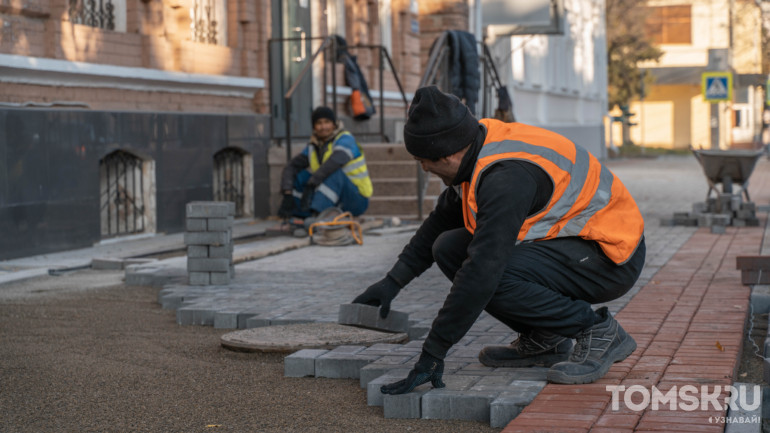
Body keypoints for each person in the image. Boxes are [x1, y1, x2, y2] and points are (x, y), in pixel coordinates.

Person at [352, 86, 646, 395]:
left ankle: (597, 331)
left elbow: (482, 272)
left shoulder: (506, 178)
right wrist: (392, 282)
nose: (424, 168)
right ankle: (545, 338)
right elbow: (438, 225)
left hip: (610, 253)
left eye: (424, 160)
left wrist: (432, 355)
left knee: (494, 272)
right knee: (448, 247)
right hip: (574, 244)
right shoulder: (475, 149)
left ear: (449, 154)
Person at [278, 106, 373, 221]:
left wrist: (312, 183)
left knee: (334, 172)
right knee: (301, 176)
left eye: (327, 122)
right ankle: (300, 214)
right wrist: (287, 193)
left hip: (356, 199)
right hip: (334, 199)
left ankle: (318, 215)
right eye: (319, 123)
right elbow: (291, 166)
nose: (323, 127)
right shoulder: (313, 146)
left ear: (334, 124)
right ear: (314, 127)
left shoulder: (345, 139)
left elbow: (336, 161)